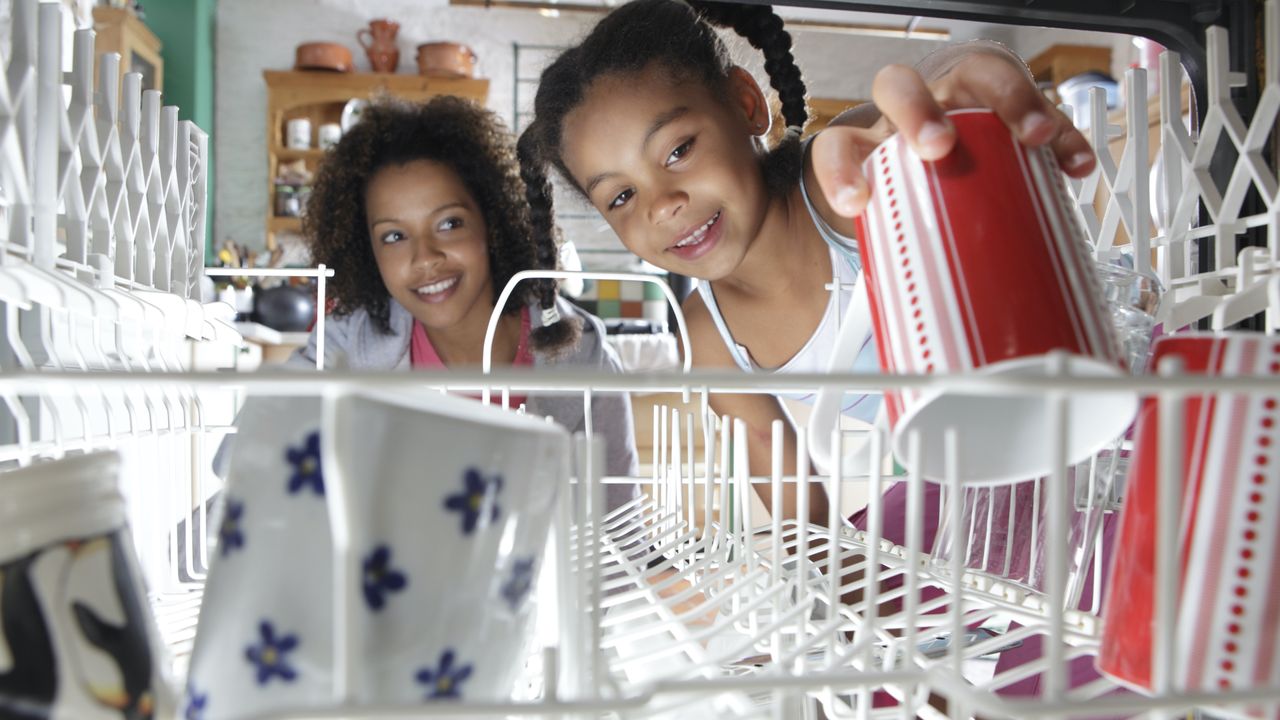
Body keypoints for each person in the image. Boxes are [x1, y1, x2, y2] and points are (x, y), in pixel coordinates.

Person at [515, 0, 1094, 527]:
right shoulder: (707, 338)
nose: (663, 205)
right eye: (620, 196)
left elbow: (926, 107)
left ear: (746, 105)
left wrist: (968, 85)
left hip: (1087, 412)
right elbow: (778, 462)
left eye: (678, 150)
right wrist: (818, 580)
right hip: (978, 471)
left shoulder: (841, 184)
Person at [223, 96, 638, 507]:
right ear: (369, 252)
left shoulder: (585, 358)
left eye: (449, 223)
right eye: (393, 236)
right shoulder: (346, 343)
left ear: (491, 223)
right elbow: (236, 459)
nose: (425, 258)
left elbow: (621, 536)